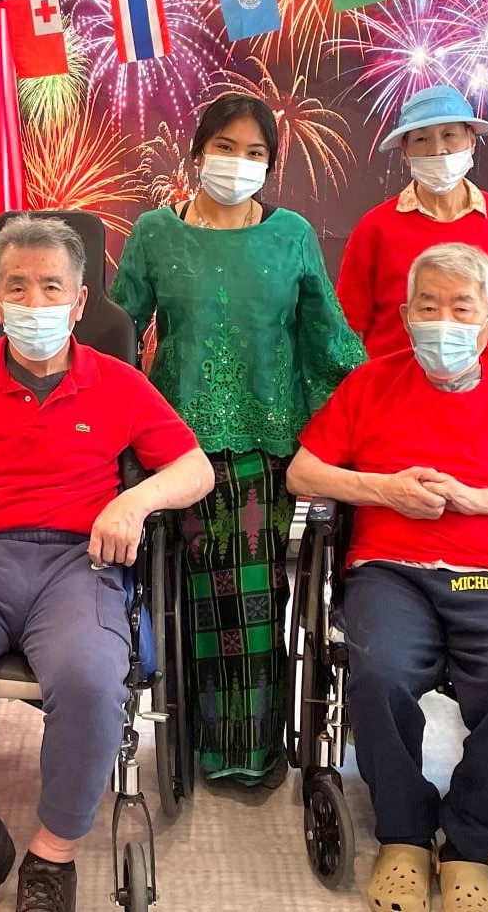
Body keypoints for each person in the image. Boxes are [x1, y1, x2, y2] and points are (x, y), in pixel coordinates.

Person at [0, 216, 214, 912]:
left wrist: (134, 501)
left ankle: (52, 855)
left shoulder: (116, 381)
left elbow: (195, 467)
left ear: (80, 300)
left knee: (90, 681)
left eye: (51, 286)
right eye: (16, 287)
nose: (34, 302)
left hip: (78, 563)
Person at [288, 243, 488, 912]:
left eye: (461, 307)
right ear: (404, 314)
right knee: (379, 670)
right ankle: (401, 832)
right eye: (427, 305)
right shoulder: (372, 382)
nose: (442, 321)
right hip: (390, 570)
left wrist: (486, 500)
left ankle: (469, 842)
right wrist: (384, 489)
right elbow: (303, 472)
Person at [110, 92, 363, 787]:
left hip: (262, 441)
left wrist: (378, 403)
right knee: (188, 594)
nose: (238, 162)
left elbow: (325, 337)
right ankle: (190, 740)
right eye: (225, 147)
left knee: (251, 601)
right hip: (175, 444)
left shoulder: (292, 236)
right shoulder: (155, 234)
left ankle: (251, 750)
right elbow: (118, 334)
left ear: (271, 164)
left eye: (255, 152)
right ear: (195, 155)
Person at [337, 84, 488, 359]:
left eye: (450, 135)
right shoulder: (375, 228)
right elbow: (351, 325)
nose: (438, 150)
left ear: (471, 140)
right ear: (405, 151)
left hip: (486, 395)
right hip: (398, 394)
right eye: (421, 140)